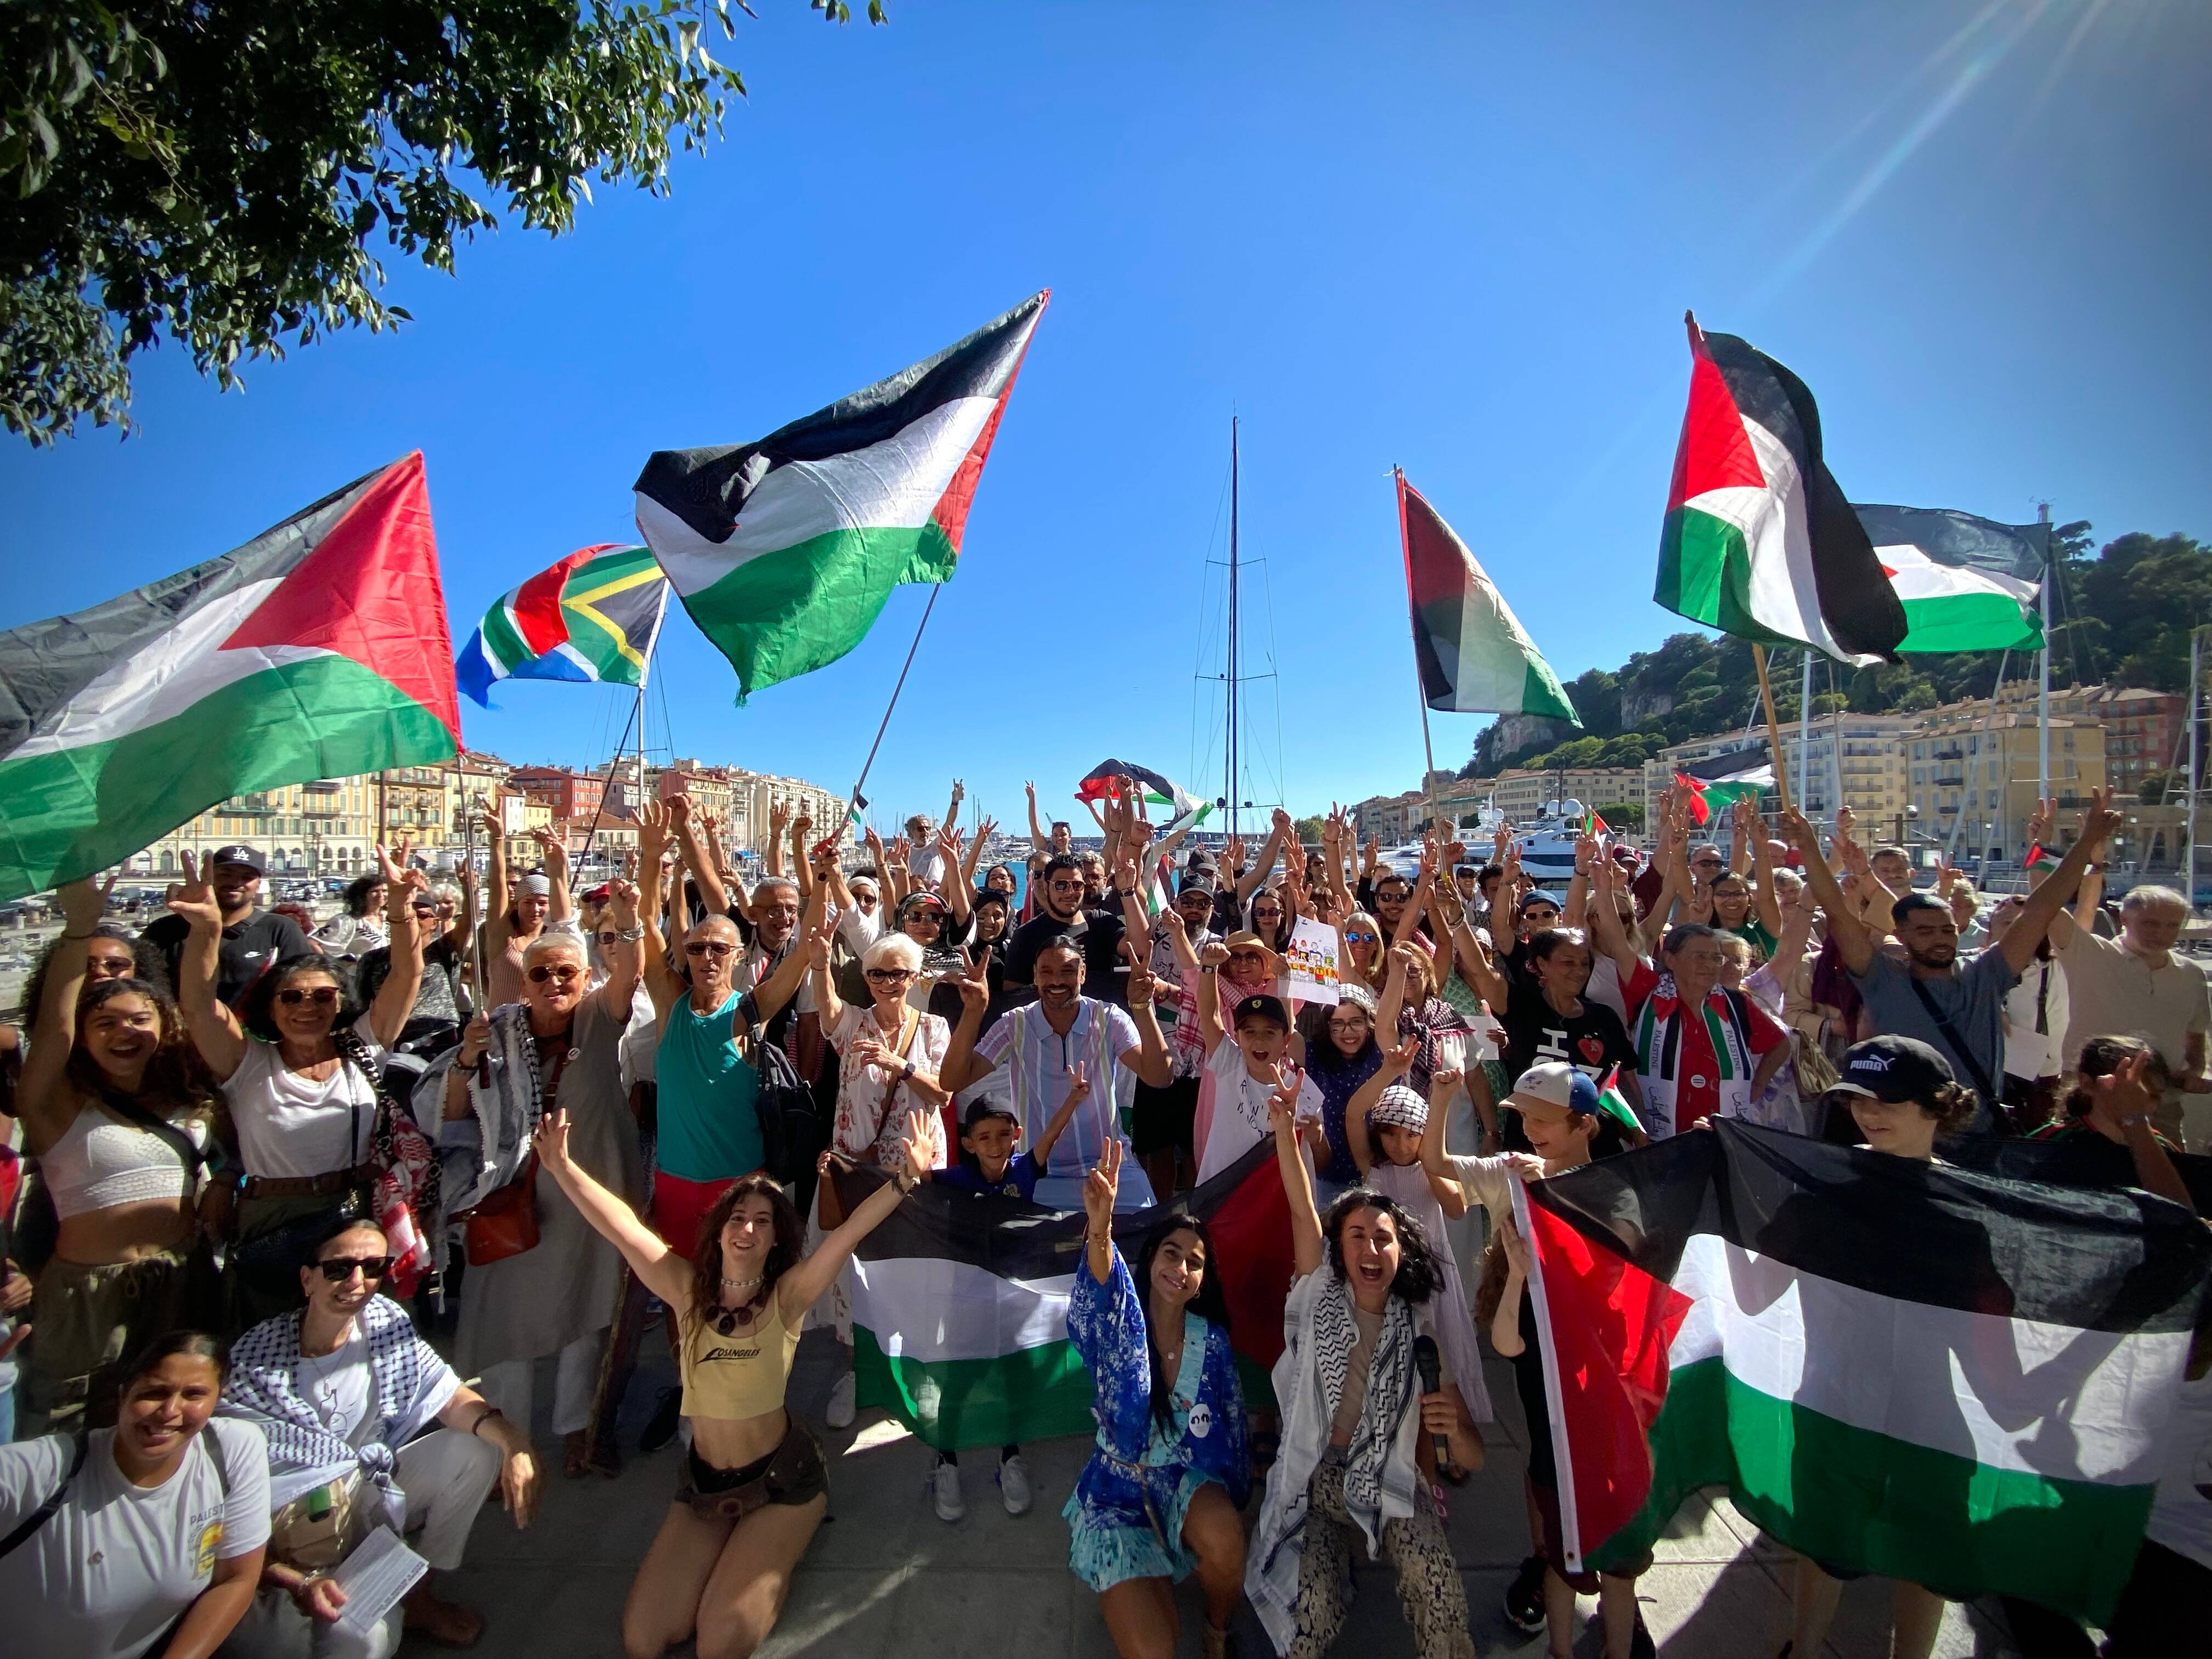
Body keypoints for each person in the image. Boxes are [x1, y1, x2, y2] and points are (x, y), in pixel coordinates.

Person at [529, 1098, 924, 1659]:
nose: (748, 1228)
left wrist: (906, 1178)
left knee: (718, 1644)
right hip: (705, 1486)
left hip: (781, 1481)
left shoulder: (787, 1298)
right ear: (717, 1231)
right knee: (644, 1640)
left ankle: (786, 1539)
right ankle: (730, 1555)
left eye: (763, 1222)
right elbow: (621, 1227)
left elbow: (848, 1234)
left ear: (774, 1241)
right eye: (738, 1217)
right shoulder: (685, 1292)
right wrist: (564, 1169)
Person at [219, 1217, 537, 1656]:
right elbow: (229, 1474)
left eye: (373, 1268)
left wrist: (514, 1442)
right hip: (285, 1528)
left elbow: (450, 1398)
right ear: (307, 1279)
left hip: (368, 1496)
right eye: (339, 1268)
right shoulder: (257, 1356)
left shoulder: (385, 1327)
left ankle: (419, 1597)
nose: (357, 1282)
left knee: (475, 1448)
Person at [1249, 1075, 1483, 1659]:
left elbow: (1472, 1455)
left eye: (1383, 1238)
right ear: (1338, 1248)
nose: (1369, 1250)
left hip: (1393, 1475)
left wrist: (1453, 1426)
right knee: (1309, 1617)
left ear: (1403, 1251)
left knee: (1441, 1596)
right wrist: (1285, 1132)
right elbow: (1304, 1208)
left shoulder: (1420, 1333)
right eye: (1355, 1236)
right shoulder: (1318, 1296)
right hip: (1315, 1478)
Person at [422, 878, 647, 1481]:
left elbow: (628, 970)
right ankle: (508, 1442)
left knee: (586, 1315)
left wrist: (628, 911)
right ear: (523, 982)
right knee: (505, 1323)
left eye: (566, 974)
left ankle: (578, 1431)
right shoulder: (492, 1031)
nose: (555, 984)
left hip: (590, 1197)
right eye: (541, 974)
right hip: (509, 1199)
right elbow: (448, 1114)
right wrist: (467, 1060)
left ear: (584, 977)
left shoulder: (600, 1017)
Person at [1780, 1036, 1982, 1659]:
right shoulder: (1821, 1187)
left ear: (1938, 1108)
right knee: (1824, 1549)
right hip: (1836, 1405)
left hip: (1929, 1417)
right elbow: (1756, 1297)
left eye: (1887, 1099)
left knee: (1926, 1561)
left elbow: (1987, 1352)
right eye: (1857, 1097)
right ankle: (1802, 1650)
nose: (1869, 1112)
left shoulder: (1972, 1211)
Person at [171, 849, 425, 1330]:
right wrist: (205, 933)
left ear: (340, 1003)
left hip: (352, 1208)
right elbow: (198, 1006)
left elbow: (407, 974)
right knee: (271, 1333)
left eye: (323, 996)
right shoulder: (247, 1063)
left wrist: (400, 909)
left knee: (357, 1336)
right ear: (272, 1007)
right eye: (291, 996)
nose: (307, 1006)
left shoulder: (364, 1048)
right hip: (274, 1217)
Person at [12, 876, 224, 1438]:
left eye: (139, 1020)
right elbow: (51, 1031)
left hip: (183, 1279)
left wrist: (207, 935)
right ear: (83, 1038)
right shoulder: (56, 1105)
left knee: (175, 1428)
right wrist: (79, 929)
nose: (124, 1032)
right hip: (87, 1299)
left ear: (163, 1028)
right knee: (68, 1433)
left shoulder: (186, 1098)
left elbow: (205, 1012)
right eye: (105, 1023)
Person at [1780, 797, 2116, 1135]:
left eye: (1947, 930)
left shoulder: (1986, 973)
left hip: (1979, 1135)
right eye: (1925, 931)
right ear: (1901, 935)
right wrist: (1808, 844)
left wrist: (2088, 840)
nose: (1939, 939)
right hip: (1901, 1137)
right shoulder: (1880, 976)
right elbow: (1836, 910)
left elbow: (2042, 908)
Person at [1480, 1064, 1652, 1659]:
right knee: (1548, 1472)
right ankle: (1556, 1571)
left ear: (1584, 1125)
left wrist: (1553, 1189)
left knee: (1607, 1508)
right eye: (1523, 1118)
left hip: (1598, 1384)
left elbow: (1621, 1247)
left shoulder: (1613, 1187)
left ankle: (1618, 1623)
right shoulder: (1529, 1181)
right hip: (1539, 1365)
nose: (1529, 1131)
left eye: (1543, 1120)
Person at [1064, 1138, 1249, 1659]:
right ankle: (1146, 1575)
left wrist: (1232, 1494)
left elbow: (1230, 1423)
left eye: (1195, 1262)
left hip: (1183, 1481)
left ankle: (1217, 1627)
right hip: (1117, 1498)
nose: (1182, 1268)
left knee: (1226, 1538)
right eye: (1172, 1253)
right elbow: (1101, 1283)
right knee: (1156, 1652)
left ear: (1201, 1282)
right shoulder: (1120, 1323)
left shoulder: (1210, 1341)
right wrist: (1099, 1228)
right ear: (1149, 1260)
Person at [0, 1330, 268, 1659]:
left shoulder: (233, 1451)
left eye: (194, 1394)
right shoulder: (47, 1469)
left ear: (219, 1398)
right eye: (154, 1393)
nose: (170, 1410)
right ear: (123, 1394)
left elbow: (236, 1579)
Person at [904, 1076, 1093, 1523]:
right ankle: (946, 1460)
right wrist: (912, 1170)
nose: (995, 1145)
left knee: (1013, 1375)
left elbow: (1050, 1136)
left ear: (1016, 1137)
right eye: (984, 1137)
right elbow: (914, 1186)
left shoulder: (1025, 1171)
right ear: (967, 1143)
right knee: (959, 1380)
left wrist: (1075, 1097)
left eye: (1003, 1135)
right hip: (964, 1300)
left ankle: (1010, 1457)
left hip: (1014, 1297)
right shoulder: (955, 1180)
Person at [802, 927, 952, 1436]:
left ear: (914, 977)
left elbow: (943, 1095)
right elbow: (826, 1008)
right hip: (857, 1168)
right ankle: (856, 1372)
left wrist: (901, 1066)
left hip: (915, 1168)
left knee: (913, 1269)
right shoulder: (853, 1024)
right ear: (866, 978)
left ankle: (917, 1369)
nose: (889, 982)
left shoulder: (933, 1028)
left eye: (898, 972)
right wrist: (821, 964)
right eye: (878, 973)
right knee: (854, 1273)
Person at [938, 937, 1172, 1210]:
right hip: (1037, 1173)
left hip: (1110, 1168)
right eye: (1047, 972)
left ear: (1083, 974)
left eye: (1068, 971)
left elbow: (1160, 1077)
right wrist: (974, 1011)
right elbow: (952, 1081)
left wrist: (1142, 1006)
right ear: (1035, 976)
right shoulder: (1015, 1024)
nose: (1056, 981)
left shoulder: (1109, 1017)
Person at [1337, 1050, 1491, 1441]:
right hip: (1382, 1281)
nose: (1401, 1143)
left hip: (1430, 1282)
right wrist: (1390, 1071)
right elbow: (1355, 1114)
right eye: (1390, 1132)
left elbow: (1456, 1208)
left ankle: (1454, 1442)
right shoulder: (1371, 1168)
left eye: (1411, 1133)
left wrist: (1430, 1155)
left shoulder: (1433, 1168)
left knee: (1442, 1363)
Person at [1586, 910, 1790, 1139]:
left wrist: (1759, 1083)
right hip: (1661, 1132)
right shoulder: (1647, 989)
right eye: (1700, 956)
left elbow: (1780, 1043)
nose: (1711, 964)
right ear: (1670, 959)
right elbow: (1619, 945)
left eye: (1716, 958)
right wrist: (1603, 887)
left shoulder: (1735, 1003)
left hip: (1723, 1129)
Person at [2041, 873, 2212, 1147]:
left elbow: (2195, 1039)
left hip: (2159, 1102)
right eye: (2151, 923)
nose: (2161, 933)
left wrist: (2194, 1071)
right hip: (2092, 1099)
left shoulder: (2191, 974)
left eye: (2172, 925)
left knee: (2165, 1184)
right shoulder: (2090, 953)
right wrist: (2053, 849)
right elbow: (2045, 903)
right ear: (2124, 919)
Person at [1188, 957, 1324, 1184]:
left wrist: (1317, 1139)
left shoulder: (1305, 1090)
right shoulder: (1229, 1064)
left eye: (1270, 1033)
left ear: (1286, 1040)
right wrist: (1210, 967)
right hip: (1222, 1205)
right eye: (1250, 1032)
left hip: (1277, 1209)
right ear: (1238, 1038)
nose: (1259, 1041)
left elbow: (1320, 1164)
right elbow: (1209, 1015)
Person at [140, 845, 313, 1009]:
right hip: (180, 1035)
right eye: (225, 874)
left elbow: (304, 984)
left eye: (247, 877)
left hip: (251, 1037)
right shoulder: (165, 930)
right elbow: (141, 985)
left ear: (258, 885)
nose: (236, 882)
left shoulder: (281, 929)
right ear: (209, 878)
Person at [479, 815, 575, 1009]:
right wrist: (497, 838)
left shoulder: (553, 938)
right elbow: (498, 886)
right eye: (528, 903)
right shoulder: (504, 937)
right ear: (517, 904)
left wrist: (559, 863)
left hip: (539, 1031)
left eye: (542, 903)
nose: (535, 909)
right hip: (500, 1029)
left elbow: (563, 901)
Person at [1004, 853, 1128, 1004]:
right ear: (1046, 887)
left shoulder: (1102, 922)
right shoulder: (1025, 935)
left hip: (1100, 1023)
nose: (1069, 893)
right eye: (1061, 885)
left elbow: (1138, 947)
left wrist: (1128, 891)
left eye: (1077, 885)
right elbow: (1012, 994)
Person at [1306, 985, 1384, 1201]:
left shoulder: (1381, 1055)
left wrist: (1398, 970)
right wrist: (1285, 982)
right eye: (1337, 1024)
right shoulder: (1314, 1056)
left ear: (1369, 1024)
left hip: (1378, 1179)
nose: (1347, 1032)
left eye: (1356, 1022)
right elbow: (1287, 1034)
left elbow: (1389, 1025)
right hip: (1328, 1180)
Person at [311, 874, 387, 962]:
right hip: (358, 974)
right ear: (362, 895)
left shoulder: (390, 919)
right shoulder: (346, 921)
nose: (380, 895)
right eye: (375, 891)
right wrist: (332, 965)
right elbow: (313, 944)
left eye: (385, 891)